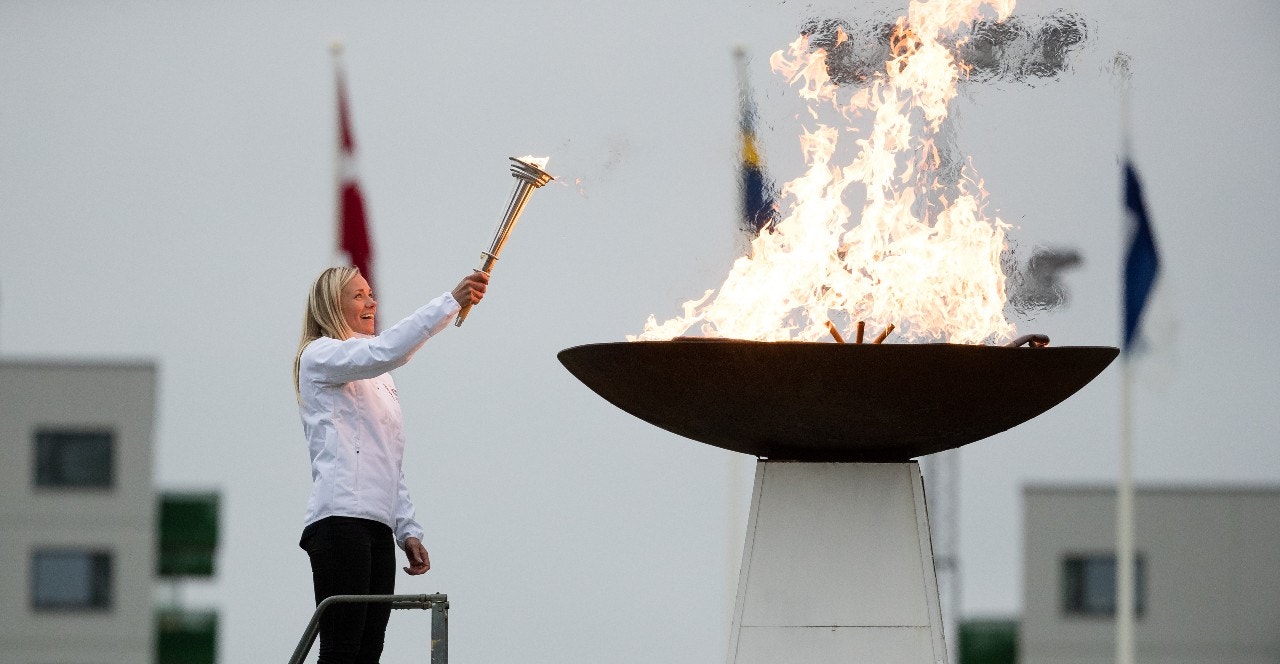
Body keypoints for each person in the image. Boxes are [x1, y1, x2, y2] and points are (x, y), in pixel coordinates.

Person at [293, 265, 488, 664]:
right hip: (339, 519)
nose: (372, 301)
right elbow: (387, 350)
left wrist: (407, 528)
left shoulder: (377, 377)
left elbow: (388, 456)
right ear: (332, 304)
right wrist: (450, 302)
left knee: (369, 652)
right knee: (342, 649)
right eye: (359, 295)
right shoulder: (320, 355)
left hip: (377, 526)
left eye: (370, 293)